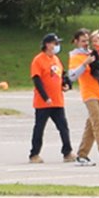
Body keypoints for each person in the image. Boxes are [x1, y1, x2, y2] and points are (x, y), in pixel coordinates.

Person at [67, 29, 99, 167]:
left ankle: (82, 155)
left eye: (87, 41)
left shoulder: (92, 53)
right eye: (82, 41)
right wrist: (84, 63)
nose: (85, 44)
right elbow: (72, 76)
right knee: (98, 122)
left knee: (91, 125)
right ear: (76, 42)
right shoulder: (75, 56)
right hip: (89, 94)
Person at [30, 33, 73, 164]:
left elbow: (61, 76)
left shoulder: (56, 59)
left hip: (57, 101)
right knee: (39, 128)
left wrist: (67, 84)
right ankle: (34, 154)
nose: (57, 46)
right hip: (43, 102)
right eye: (55, 43)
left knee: (63, 127)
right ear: (47, 44)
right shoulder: (38, 60)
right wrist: (45, 97)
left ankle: (67, 152)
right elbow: (37, 80)